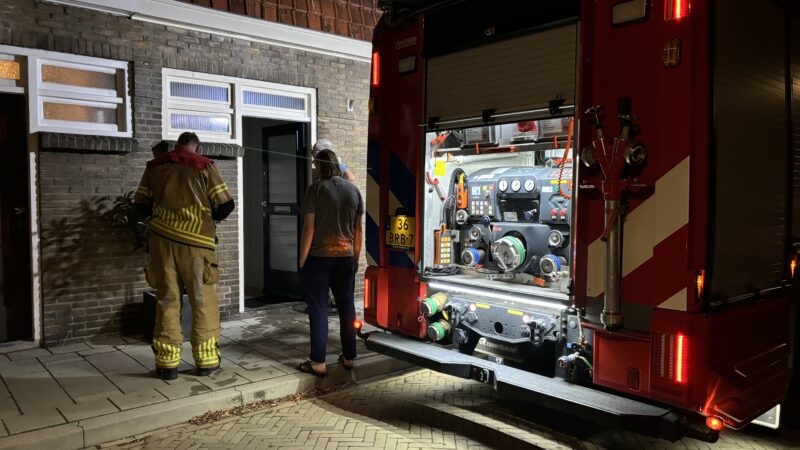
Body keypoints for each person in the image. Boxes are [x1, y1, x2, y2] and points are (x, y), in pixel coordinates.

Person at [134, 132, 235, 380]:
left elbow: (140, 206)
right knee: (203, 301)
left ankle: (167, 365)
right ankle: (207, 361)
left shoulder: (155, 166)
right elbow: (225, 205)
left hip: (162, 243)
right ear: (197, 148)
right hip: (197, 244)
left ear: (176, 145)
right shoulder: (205, 166)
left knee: (167, 300)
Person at [297, 147, 363, 377]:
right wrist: (354, 258)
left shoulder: (315, 190)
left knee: (319, 309)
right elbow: (358, 230)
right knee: (347, 307)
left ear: (321, 166)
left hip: (319, 259)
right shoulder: (354, 191)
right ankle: (349, 357)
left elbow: (309, 229)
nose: (314, 168)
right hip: (345, 259)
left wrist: (302, 260)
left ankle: (318, 362)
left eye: (316, 165)